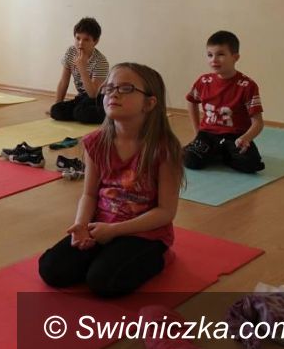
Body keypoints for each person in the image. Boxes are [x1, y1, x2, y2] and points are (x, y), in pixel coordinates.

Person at [39, 63, 183, 297]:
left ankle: (162, 256)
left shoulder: (163, 149)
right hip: (102, 226)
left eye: (126, 88)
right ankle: (104, 254)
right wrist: (81, 225)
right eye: (110, 88)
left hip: (143, 232)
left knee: (103, 282)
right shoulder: (96, 142)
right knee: (52, 270)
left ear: (149, 103)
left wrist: (116, 230)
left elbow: (166, 212)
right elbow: (89, 194)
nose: (114, 93)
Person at [183, 31, 265, 173]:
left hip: (235, 137)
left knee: (251, 164)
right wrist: (198, 130)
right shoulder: (203, 81)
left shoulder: (247, 85)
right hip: (208, 134)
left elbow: (258, 122)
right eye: (210, 55)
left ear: (235, 57)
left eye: (220, 54)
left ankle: (221, 154)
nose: (214, 60)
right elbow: (191, 101)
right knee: (190, 160)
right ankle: (212, 151)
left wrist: (246, 138)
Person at [50, 17, 109, 124]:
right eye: (78, 38)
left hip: (98, 99)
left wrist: (82, 68)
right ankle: (77, 112)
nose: (80, 43)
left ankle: (107, 114)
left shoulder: (101, 61)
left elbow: (93, 94)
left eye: (86, 39)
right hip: (82, 98)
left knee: (82, 112)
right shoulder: (71, 52)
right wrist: (58, 104)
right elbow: (63, 82)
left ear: (95, 41)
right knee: (56, 110)